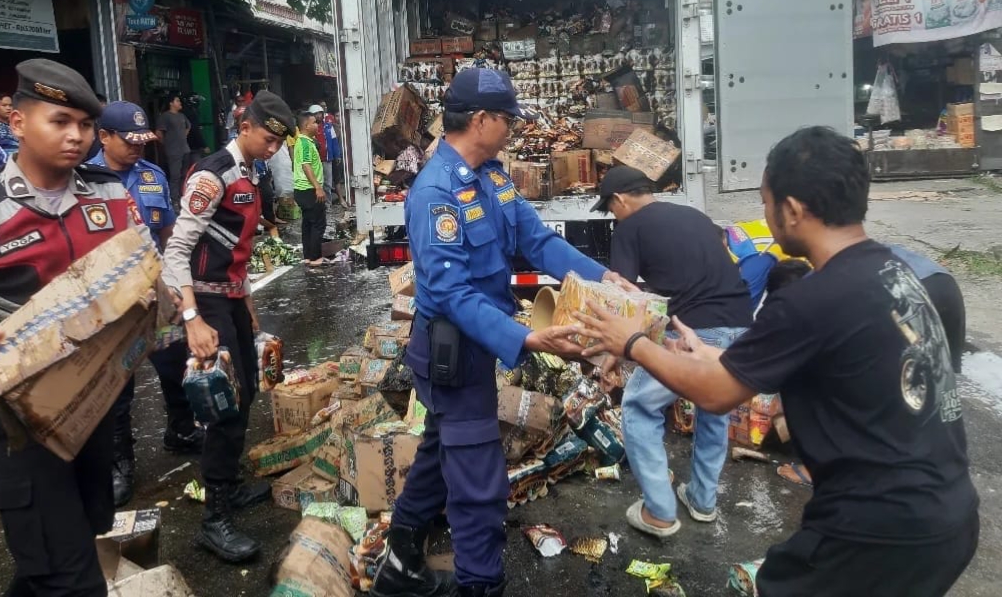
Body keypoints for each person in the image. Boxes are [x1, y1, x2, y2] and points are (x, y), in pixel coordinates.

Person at [574, 126, 979, 597]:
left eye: (766, 203)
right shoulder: (894, 274)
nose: (765, 215)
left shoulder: (811, 299)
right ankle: (699, 497)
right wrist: (716, 355)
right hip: (949, 515)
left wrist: (632, 343)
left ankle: (660, 511)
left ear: (792, 209)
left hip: (876, 531)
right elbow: (822, 363)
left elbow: (716, 394)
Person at [371, 68, 624, 597]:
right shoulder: (436, 192)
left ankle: (398, 565)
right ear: (481, 120)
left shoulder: (493, 179)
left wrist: (603, 279)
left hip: (476, 348)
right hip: (452, 355)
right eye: (507, 119)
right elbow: (449, 294)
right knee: (480, 487)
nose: (512, 128)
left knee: (441, 452)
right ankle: (481, 585)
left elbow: (538, 242)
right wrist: (525, 338)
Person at [0, 59, 141, 597]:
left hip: (91, 402)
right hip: (13, 415)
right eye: (60, 121)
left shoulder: (108, 192)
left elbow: (139, 267)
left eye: (85, 125)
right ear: (17, 123)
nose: (76, 136)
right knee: (71, 576)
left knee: (75, 535)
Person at [162, 90, 294, 563]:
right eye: (267, 139)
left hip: (233, 297)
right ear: (245, 127)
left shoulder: (251, 172)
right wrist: (192, 319)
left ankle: (230, 484)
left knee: (248, 390)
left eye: (278, 143)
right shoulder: (212, 174)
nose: (272, 149)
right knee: (222, 402)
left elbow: (237, 249)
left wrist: (249, 305)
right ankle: (213, 519)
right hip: (205, 300)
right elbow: (176, 252)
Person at [593, 165, 752, 538]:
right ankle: (702, 500)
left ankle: (659, 512)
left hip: (694, 332)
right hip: (741, 324)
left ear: (620, 200)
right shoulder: (694, 216)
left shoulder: (629, 228)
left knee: (639, 406)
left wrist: (612, 357)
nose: (613, 215)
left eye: (610, 208)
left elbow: (624, 299)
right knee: (714, 407)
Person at [87, 101, 203, 507]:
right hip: (108, 301)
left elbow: (167, 233)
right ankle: (120, 462)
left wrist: (173, 285)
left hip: (153, 292)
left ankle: (181, 429)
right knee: (118, 385)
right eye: (128, 141)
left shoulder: (152, 175)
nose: (137, 148)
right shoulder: (82, 180)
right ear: (104, 137)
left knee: (175, 364)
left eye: (142, 141)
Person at [292, 112, 327, 266]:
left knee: (308, 223)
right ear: (306, 126)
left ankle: (308, 256)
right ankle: (315, 258)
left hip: (302, 190)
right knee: (318, 224)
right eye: (314, 123)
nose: (317, 125)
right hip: (309, 189)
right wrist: (317, 187)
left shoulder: (304, 141)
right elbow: (306, 166)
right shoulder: (304, 143)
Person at [156, 91, 191, 200]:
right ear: (171, 103)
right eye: (177, 101)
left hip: (185, 149)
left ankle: (183, 196)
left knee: (185, 175)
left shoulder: (182, 115)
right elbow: (158, 133)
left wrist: (183, 136)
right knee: (175, 176)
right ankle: (174, 199)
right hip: (173, 151)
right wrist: (167, 143)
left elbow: (188, 126)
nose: (180, 103)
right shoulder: (165, 116)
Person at [307, 104, 331, 206]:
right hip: (315, 160)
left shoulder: (328, 126)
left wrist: (336, 154)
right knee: (316, 182)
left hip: (327, 158)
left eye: (320, 113)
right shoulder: (309, 129)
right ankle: (318, 205)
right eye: (315, 114)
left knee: (328, 183)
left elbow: (333, 141)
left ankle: (328, 204)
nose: (318, 116)